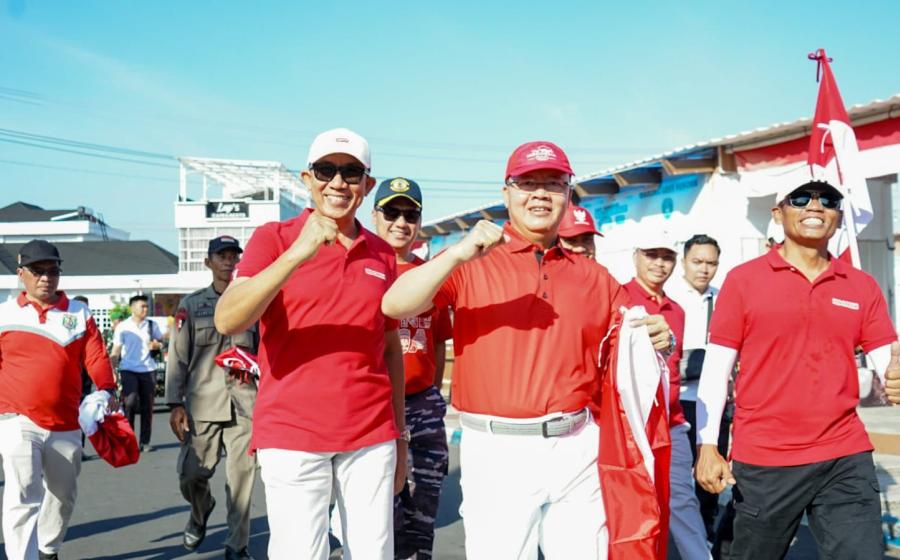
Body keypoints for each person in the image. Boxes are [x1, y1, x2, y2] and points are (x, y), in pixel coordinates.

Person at [382, 141, 673, 558]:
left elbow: (635, 340)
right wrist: (459, 253)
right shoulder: (470, 262)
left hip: (577, 447)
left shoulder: (594, 277)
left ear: (568, 193)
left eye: (553, 184)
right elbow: (394, 304)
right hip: (498, 451)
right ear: (507, 193)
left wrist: (664, 339)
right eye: (528, 183)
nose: (540, 193)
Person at [214, 128, 407, 560]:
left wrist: (400, 436)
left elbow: (390, 345)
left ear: (367, 185)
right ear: (307, 178)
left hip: (371, 433)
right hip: (293, 432)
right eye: (326, 170)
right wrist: (299, 252)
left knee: (375, 553)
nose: (338, 182)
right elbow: (229, 318)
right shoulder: (274, 238)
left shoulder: (381, 253)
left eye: (351, 172)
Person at [695, 180, 900, 559]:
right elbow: (716, 371)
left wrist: (895, 375)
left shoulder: (861, 285)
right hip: (766, 460)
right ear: (778, 213)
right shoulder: (744, 280)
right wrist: (708, 445)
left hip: (844, 454)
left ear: (839, 217)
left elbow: (887, 360)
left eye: (829, 200)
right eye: (801, 198)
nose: (816, 207)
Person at [0, 240, 118, 560]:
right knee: (22, 494)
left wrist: (106, 389)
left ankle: (48, 548)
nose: (46, 278)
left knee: (63, 494)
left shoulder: (78, 313)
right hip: (16, 418)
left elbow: (95, 355)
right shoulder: (5, 314)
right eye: (38, 271)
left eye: (53, 271)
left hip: (66, 422)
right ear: (21, 273)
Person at [371, 177, 452, 559]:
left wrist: (429, 396)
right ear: (375, 215)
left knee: (422, 519)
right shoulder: (362, 270)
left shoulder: (432, 276)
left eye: (410, 214)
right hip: (373, 409)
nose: (400, 222)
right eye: (391, 212)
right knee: (377, 518)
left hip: (422, 407)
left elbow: (438, 340)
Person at [165, 235, 259, 559]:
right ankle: (200, 511)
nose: (229, 261)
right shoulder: (191, 306)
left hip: (245, 405)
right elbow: (176, 356)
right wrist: (174, 404)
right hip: (203, 405)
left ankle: (237, 546)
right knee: (192, 474)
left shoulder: (254, 302)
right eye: (222, 255)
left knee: (242, 480)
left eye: (234, 255)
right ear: (209, 262)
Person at [622, 233, 712, 560]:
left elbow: (671, 372)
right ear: (636, 255)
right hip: (628, 429)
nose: (659, 263)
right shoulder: (617, 298)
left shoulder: (676, 310)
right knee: (627, 508)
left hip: (671, 425)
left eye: (666, 257)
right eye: (651, 254)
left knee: (682, 502)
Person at [666, 234, 730, 541]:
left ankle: (704, 534)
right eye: (697, 262)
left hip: (716, 403)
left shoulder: (725, 298)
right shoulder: (669, 296)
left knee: (711, 476)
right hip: (679, 402)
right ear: (684, 262)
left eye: (711, 263)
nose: (704, 269)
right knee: (676, 480)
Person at [111, 294, 164, 452]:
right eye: (142, 306)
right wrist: (113, 369)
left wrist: (157, 345)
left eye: (147, 306)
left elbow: (160, 342)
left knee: (148, 406)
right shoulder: (123, 326)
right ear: (132, 308)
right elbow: (116, 350)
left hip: (148, 369)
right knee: (130, 402)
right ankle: (129, 439)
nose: (145, 309)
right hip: (128, 368)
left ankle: (145, 441)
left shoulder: (151, 325)